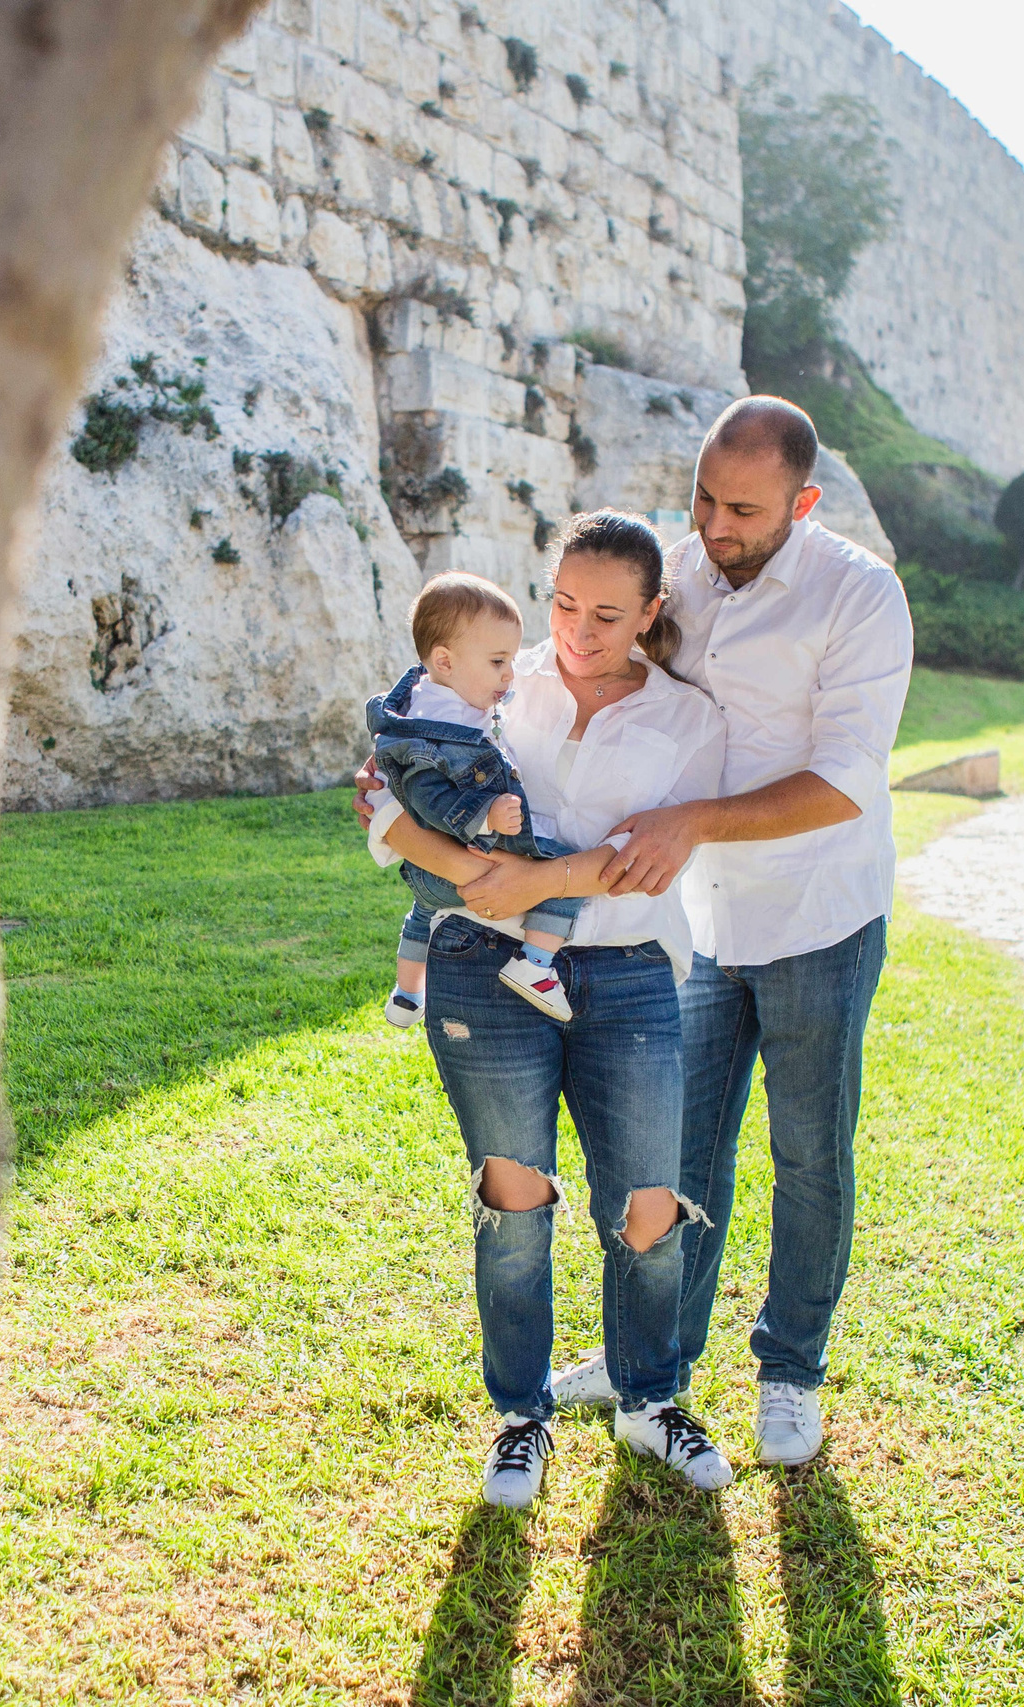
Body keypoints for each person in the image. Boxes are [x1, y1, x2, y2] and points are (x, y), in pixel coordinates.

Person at [546, 398, 913, 1470]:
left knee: (807, 1156)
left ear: (801, 503)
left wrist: (694, 819)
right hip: (700, 920)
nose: (713, 525)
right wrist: (427, 729)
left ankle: (790, 1372)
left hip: (819, 912)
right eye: (703, 497)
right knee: (668, 1150)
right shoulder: (677, 567)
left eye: (742, 508)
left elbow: (846, 781)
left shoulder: (859, 595)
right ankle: (643, 1359)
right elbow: (575, 651)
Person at [365, 511, 732, 1508]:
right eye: (564, 604)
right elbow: (383, 807)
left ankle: (648, 1399)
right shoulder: (489, 678)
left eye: (608, 614)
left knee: (649, 1204)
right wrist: (473, 882)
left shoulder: (687, 721)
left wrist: (527, 882)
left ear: (652, 612)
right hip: (483, 972)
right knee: (513, 1201)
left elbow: (645, 858)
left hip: (631, 976)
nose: (576, 629)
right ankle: (520, 1416)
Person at [368, 573, 589, 1027]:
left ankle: (408, 994)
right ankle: (535, 963)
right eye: (497, 661)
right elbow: (426, 793)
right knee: (567, 871)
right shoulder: (439, 726)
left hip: (427, 871)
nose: (510, 674)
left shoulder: (431, 702)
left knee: (421, 916)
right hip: (462, 854)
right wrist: (483, 817)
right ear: (445, 661)